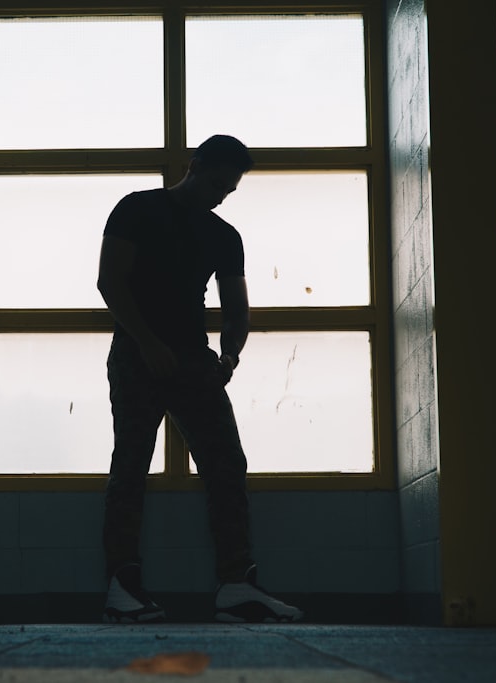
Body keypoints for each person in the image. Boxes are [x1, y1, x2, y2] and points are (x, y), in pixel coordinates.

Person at [96, 134, 303, 624]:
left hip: (193, 361)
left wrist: (229, 357)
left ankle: (236, 585)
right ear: (195, 167)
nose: (221, 195)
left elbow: (237, 307)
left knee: (226, 464)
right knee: (131, 465)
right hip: (136, 356)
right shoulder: (137, 209)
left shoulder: (223, 235)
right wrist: (148, 343)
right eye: (216, 183)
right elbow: (110, 281)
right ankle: (122, 587)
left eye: (228, 190)